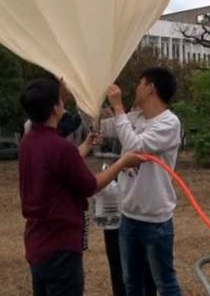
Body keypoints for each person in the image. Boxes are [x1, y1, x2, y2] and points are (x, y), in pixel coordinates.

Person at [19, 78, 145, 296]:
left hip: (37, 242)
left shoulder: (29, 141)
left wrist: (86, 145)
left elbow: (61, 165)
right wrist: (122, 163)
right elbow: (90, 185)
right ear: (55, 108)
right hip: (60, 245)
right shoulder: (59, 147)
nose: (63, 104)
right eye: (60, 101)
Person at [106, 67, 182, 296]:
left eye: (140, 83)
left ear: (150, 88)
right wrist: (86, 98)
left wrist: (118, 107)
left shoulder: (169, 123)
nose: (136, 88)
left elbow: (134, 147)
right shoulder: (136, 117)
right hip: (128, 216)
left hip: (155, 220)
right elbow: (104, 127)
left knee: (165, 284)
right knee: (132, 284)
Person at [100, 106, 158, 296]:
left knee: (149, 269)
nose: (135, 112)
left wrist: (118, 109)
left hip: (147, 210)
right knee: (121, 266)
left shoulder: (162, 124)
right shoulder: (128, 121)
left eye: (139, 109)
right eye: (133, 109)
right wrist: (89, 104)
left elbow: (136, 147)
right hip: (120, 202)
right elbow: (98, 128)